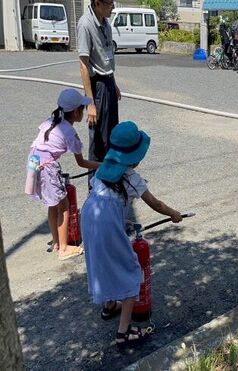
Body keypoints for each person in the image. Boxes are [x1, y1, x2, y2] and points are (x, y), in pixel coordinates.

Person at [80, 121, 183, 346]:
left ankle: (109, 307)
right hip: (106, 221)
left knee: (101, 263)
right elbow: (155, 204)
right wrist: (174, 214)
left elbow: (104, 200)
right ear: (135, 156)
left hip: (89, 215)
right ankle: (123, 332)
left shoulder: (104, 168)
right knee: (131, 270)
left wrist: (119, 220)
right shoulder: (130, 177)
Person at [25, 89, 100, 260]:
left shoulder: (50, 121)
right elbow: (81, 163)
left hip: (34, 160)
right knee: (64, 206)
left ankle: (57, 241)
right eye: (82, 108)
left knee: (52, 204)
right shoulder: (69, 132)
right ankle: (64, 248)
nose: (83, 112)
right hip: (47, 167)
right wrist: (103, 165)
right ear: (75, 112)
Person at [77, 0, 121, 168]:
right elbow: (83, 65)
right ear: (97, 3)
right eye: (110, 3)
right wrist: (90, 103)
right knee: (98, 140)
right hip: (97, 87)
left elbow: (106, 56)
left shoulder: (105, 23)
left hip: (108, 82)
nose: (113, 7)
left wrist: (114, 84)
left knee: (112, 135)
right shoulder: (86, 24)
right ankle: (95, 187)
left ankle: (110, 181)